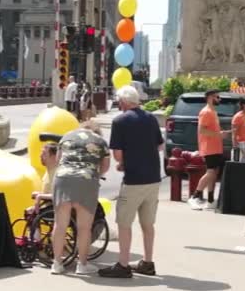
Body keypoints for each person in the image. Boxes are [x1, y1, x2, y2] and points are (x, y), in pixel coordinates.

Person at [98, 86, 163, 278]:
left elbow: (117, 154)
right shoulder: (151, 118)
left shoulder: (120, 121)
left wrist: (124, 163)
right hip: (153, 178)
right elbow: (159, 145)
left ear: (123, 102)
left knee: (124, 222)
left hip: (133, 180)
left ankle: (123, 264)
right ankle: (148, 262)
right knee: (148, 224)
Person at [51, 121, 110, 275]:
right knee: (84, 228)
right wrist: (96, 174)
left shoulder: (66, 137)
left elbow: (58, 161)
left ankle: (57, 263)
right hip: (86, 181)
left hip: (62, 179)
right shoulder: (101, 141)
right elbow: (105, 167)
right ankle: (82, 265)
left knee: (60, 225)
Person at [188, 90, 229, 210]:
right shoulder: (206, 112)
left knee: (214, 173)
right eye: (218, 97)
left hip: (215, 147)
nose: (220, 99)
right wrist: (219, 135)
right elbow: (202, 130)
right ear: (211, 97)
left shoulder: (212, 112)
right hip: (209, 147)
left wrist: (219, 134)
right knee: (210, 172)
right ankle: (195, 197)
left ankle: (210, 200)